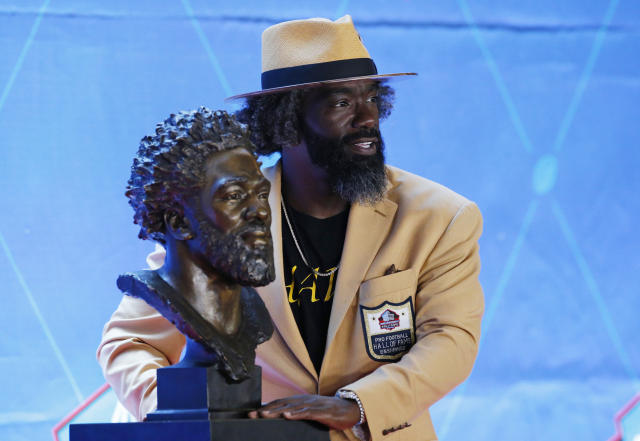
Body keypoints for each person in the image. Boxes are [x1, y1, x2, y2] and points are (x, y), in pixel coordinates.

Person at [98, 15, 484, 441]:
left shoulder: (440, 217)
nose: (367, 117)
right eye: (341, 102)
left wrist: (355, 406)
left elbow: (451, 341)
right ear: (286, 120)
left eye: (373, 97)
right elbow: (129, 344)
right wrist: (186, 421)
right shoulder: (223, 212)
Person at [118, 107, 275, 381]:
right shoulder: (159, 293)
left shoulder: (253, 315)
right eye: (234, 195)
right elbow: (126, 347)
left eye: (261, 193)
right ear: (179, 222)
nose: (260, 211)